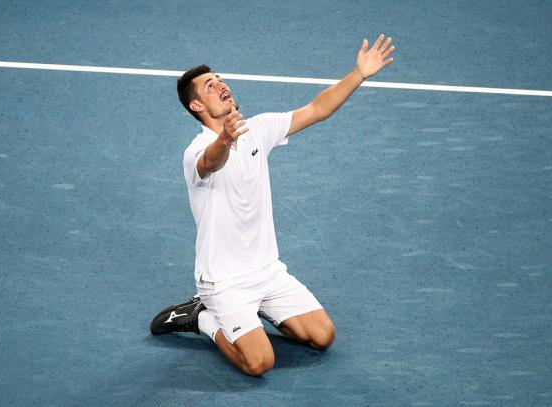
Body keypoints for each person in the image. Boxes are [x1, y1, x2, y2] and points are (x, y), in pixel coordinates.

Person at [150, 34, 395, 376]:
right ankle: (202, 318)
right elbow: (211, 162)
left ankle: (254, 316)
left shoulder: (258, 130)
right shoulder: (196, 151)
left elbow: (317, 109)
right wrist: (226, 137)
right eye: (209, 85)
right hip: (224, 282)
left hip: (267, 272)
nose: (221, 85)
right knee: (259, 363)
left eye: (220, 79)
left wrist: (358, 74)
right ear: (197, 106)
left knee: (323, 336)